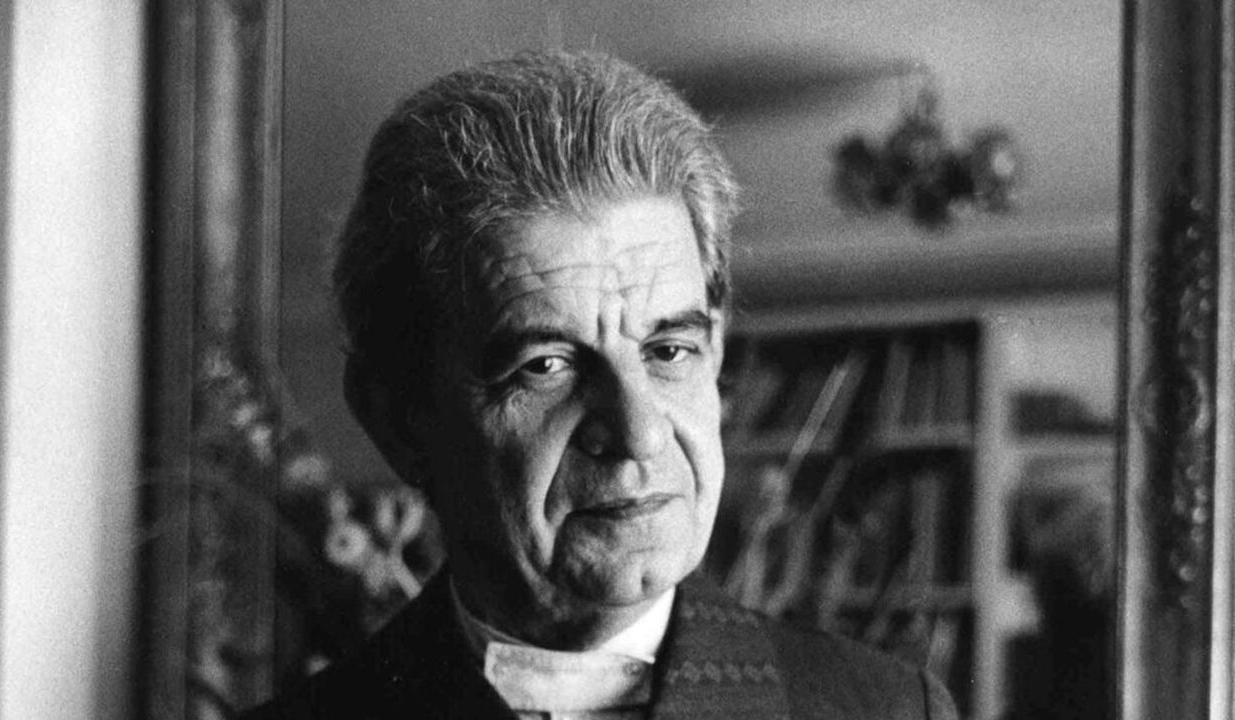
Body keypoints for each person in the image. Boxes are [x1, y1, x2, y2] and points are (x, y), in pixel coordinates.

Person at [244, 50, 958, 720]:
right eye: (545, 366)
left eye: (669, 350)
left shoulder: (893, 710)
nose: (639, 433)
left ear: (714, 356)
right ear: (397, 419)